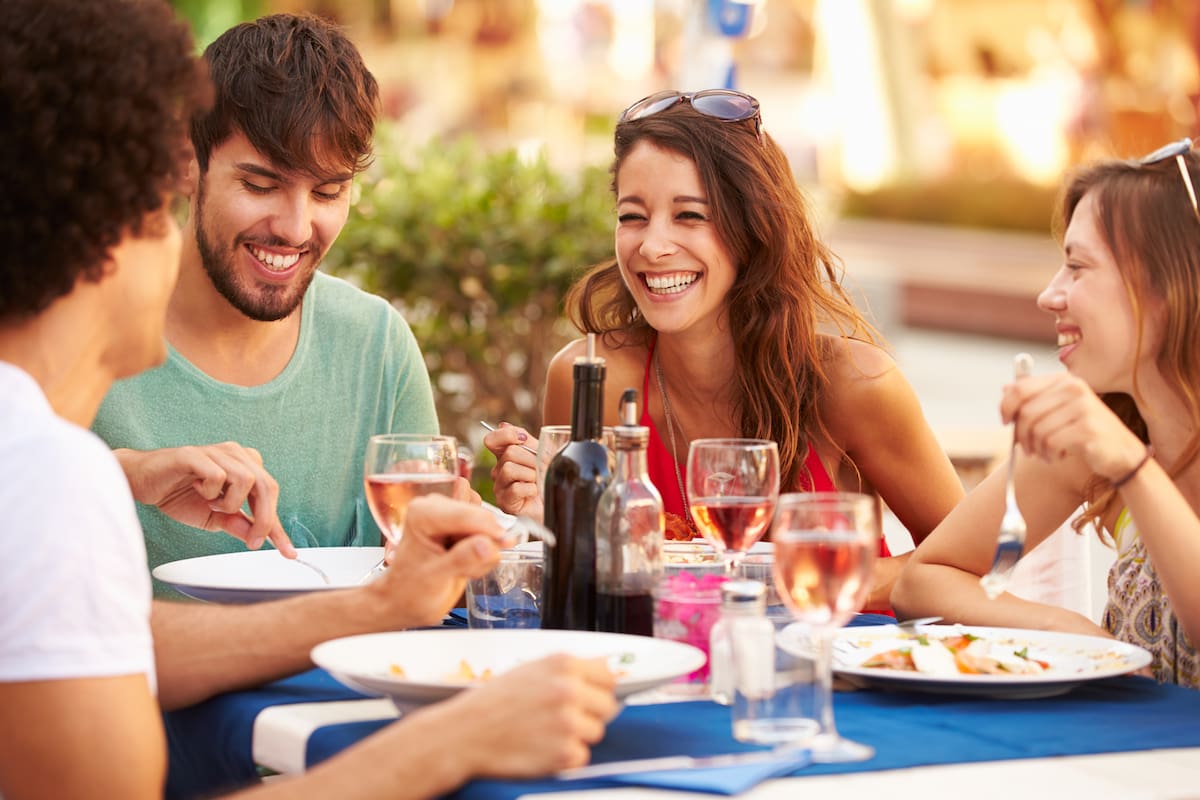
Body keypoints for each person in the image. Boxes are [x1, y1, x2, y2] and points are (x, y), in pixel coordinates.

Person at [0, 2, 617, 797]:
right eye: (156, 209)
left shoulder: (44, 463)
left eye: (327, 190)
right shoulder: (49, 474)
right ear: (109, 237)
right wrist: (454, 739)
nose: (294, 226)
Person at [485, 90, 965, 611]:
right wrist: (540, 526)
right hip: (662, 679)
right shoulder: (590, 375)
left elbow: (969, 561)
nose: (652, 246)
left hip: (837, 674)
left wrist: (792, 579)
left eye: (690, 215)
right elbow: (583, 590)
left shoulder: (853, 383)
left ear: (753, 228)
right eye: (633, 217)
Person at [91, 12, 445, 590]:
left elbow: (422, 572)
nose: (296, 228)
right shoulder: (82, 325)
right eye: (260, 185)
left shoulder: (375, 343)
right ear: (187, 161)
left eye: (328, 191)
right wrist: (126, 473)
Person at [893, 140, 1200, 688]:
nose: (1048, 295)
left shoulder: (1115, 444)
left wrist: (1131, 466)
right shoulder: (1109, 425)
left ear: (1171, 289)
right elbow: (925, 581)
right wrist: (1067, 629)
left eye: (1078, 268)